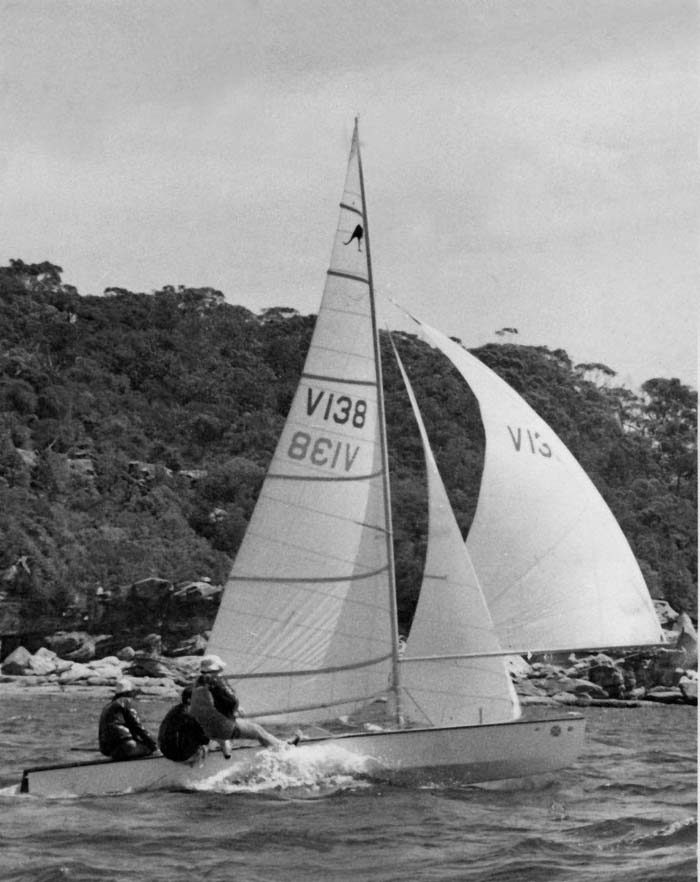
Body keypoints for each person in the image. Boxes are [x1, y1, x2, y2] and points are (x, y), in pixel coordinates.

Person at [188, 654, 284, 758]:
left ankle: (225, 747)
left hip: (203, 727)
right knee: (257, 730)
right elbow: (232, 701)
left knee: (232, 725)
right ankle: (283, 751)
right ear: (217, 667)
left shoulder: (198, 681)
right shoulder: (215, 680)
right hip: (220, 727)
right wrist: (236, 708)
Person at [98, 677, 158, 761]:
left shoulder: (107, 707)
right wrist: (154, 745)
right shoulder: (126, 701)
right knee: (151, 749)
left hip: (110, 751)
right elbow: (137, 726)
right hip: (127, 746)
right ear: (129, 692)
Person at [158, 686, 210, 765]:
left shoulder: (175, 709)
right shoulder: (189, 715)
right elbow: (204, 739)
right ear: (189, 700)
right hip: (179, 755)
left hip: (165, 750)